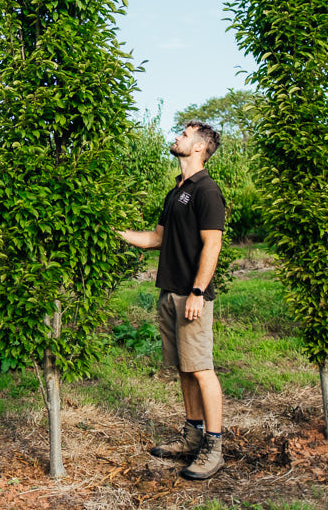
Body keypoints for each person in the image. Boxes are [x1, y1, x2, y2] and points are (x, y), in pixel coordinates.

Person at [120, 120, 226, 480]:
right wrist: (115, 232)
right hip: (170, 292)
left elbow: (213, 244)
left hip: (191, 295)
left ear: (199, 147)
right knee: (184, 368)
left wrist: (197, 291)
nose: (177, 137)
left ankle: (214, 447)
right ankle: (192, 434)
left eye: (184, 135)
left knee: (202, 369)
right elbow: (156, 238)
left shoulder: (206, 190)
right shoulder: (176, 190)